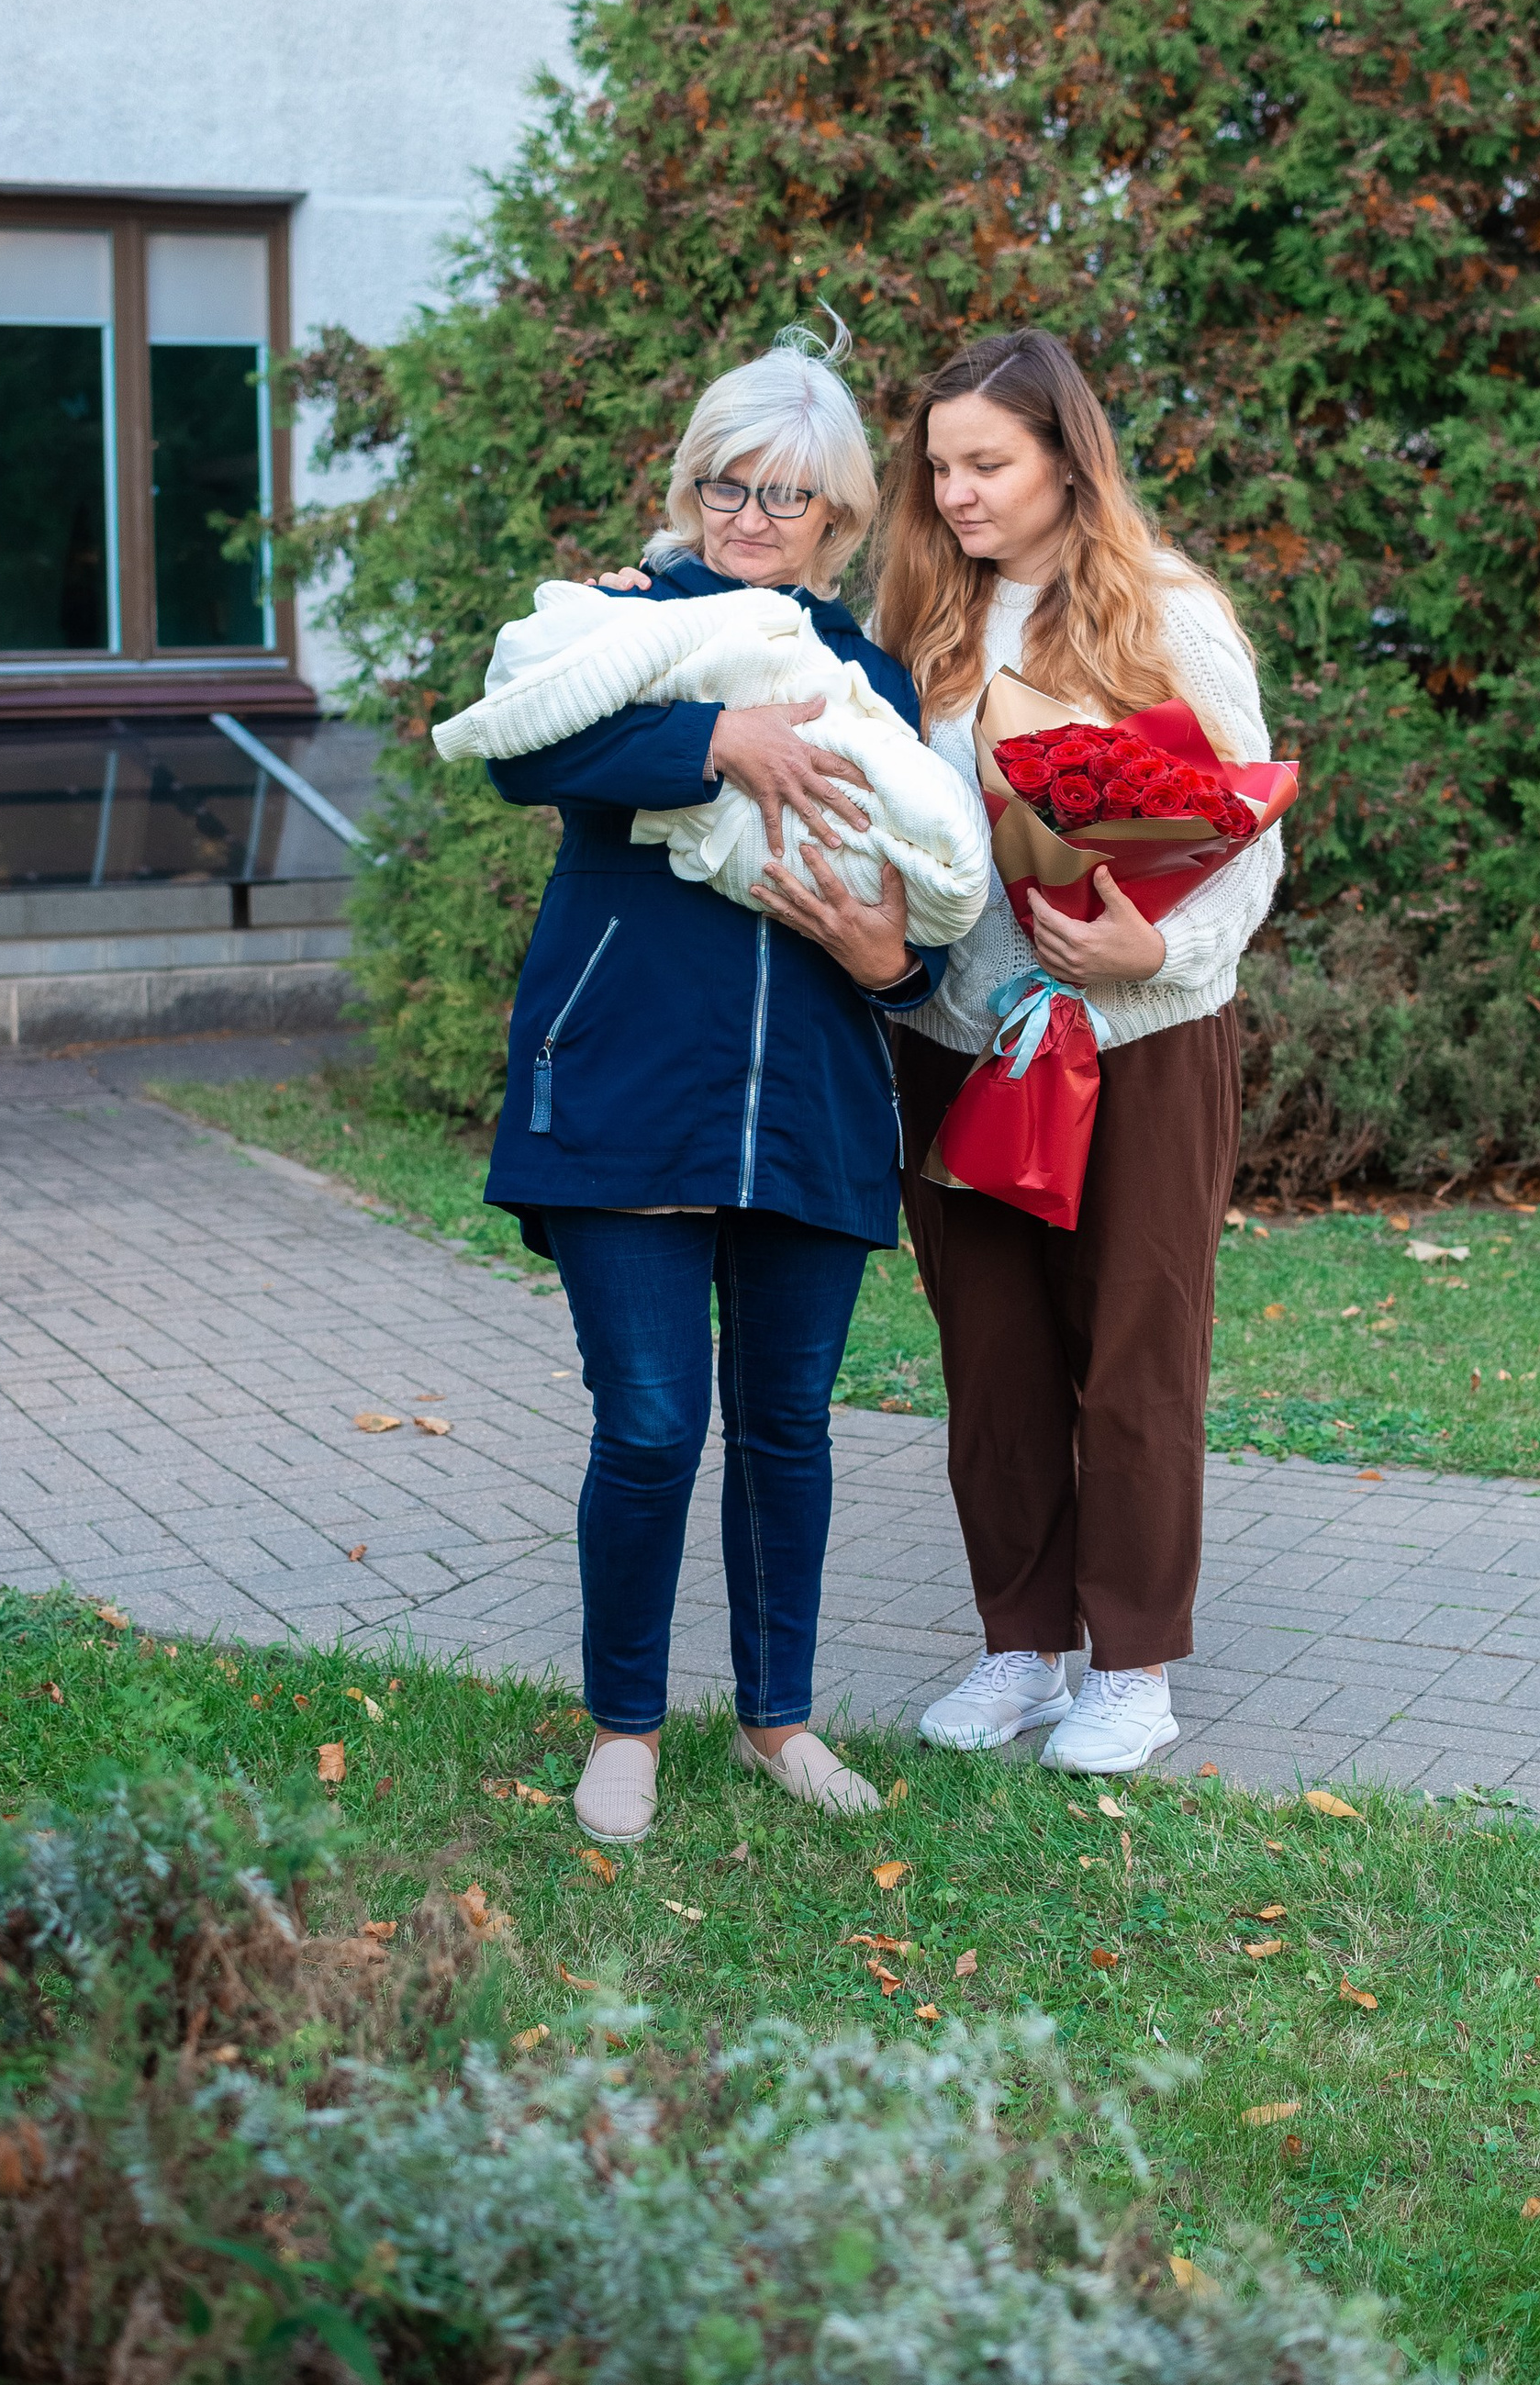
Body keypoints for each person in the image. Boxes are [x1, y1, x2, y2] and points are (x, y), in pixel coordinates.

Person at [485, 332, 941, 1844]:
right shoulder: (616, 625)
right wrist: (714, 736)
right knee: (654, 1424)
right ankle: (624, 1727)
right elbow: (521, 756)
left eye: (789, 495)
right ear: (687, 488)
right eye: (726, 485)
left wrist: (895, 962)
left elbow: (919, 887)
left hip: (809, 1099)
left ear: (840, 520)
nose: (753, 517)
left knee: (789, 1427)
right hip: (624, 1087)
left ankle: (777, 1722)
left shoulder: (871, 679)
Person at [871, 330, 1284, 1777]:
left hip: (1139, 1045)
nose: (959, 494)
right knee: (990, 1358)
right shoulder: (926, 617)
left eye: (987, 463)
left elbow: (1250, 832)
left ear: (1067, 457)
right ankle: (1022, 1652)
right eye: (939, 468)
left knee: (1133, 1358)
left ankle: (1133, 1671)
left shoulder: (1164, 613)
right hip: (959, 1042)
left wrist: (1148, 953)